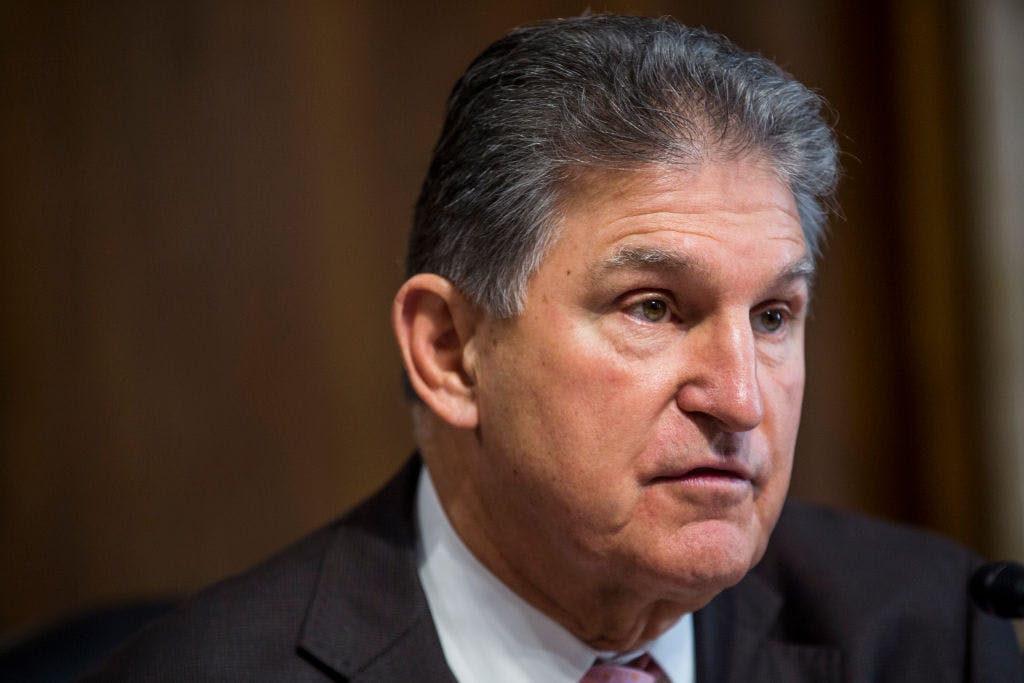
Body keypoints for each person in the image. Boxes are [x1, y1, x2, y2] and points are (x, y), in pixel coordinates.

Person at [89, 14, 1022, 682]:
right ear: (450, 350)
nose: (741, 399)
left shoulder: (931, 629)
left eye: (774, 316)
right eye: (653, 307)